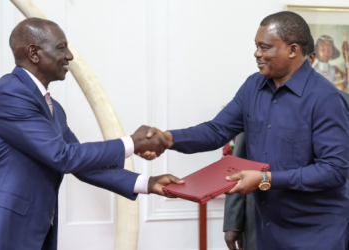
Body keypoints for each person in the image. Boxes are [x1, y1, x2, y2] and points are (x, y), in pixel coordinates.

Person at [144, 11, 349, 250]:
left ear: (293, 50)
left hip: (316, 235)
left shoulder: (327, 99)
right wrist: (168, 139)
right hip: (267, 230)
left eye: (265, 47)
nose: (257, 54)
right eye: (256, 46)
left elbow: (333, 170)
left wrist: (265, 179)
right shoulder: (253, 86)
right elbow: (216, 130)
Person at [0, 18, 184, 250]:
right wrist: (132, 143)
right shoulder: (9, 93)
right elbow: (63, 156)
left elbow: (79, 163)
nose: (69, 56)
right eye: (61, 47)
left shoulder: (53, 107)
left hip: (39, 229)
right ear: (34, 53)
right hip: (9, 229)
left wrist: (148, 183)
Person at [221, 34, 346, 250]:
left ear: (311, 59)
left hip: (320, 227)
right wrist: (233, 221)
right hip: (261, 220)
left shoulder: (334, 100)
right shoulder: (258, 94)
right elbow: (240, 157)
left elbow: (336, 169)